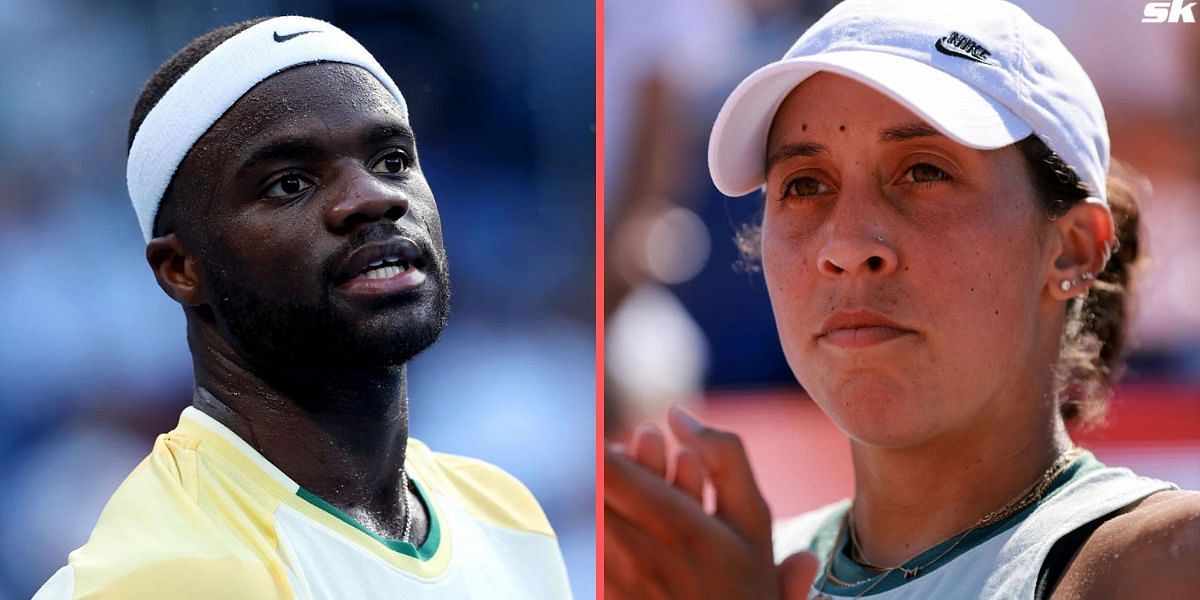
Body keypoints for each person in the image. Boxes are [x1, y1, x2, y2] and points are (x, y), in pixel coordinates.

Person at [604, 1, 1199, 598]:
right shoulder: (707, 573)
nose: (847, 244)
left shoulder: (1168, 559)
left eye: (923, 172)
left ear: (1072, 250)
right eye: (805, 185)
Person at [33, 16, 570, 599]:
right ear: (181, 269)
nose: (374, 197)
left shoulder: (504, 513)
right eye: (290, 183)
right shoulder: (165, 575)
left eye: (391, 160)